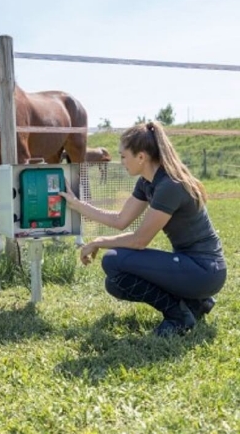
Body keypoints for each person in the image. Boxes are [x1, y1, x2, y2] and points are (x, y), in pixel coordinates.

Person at [59, 121, 227, 337]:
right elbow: (120, 219)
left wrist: (98, 242)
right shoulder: (147, 181)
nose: (121, 162)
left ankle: (178, 315)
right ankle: (195, 303)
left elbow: (140, 241)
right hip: (191, 266)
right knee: (115, 283)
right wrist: (77, 205)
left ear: (141, 157)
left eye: (123, 156)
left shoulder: (170, 185)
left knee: (113, 260)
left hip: (205, 271)